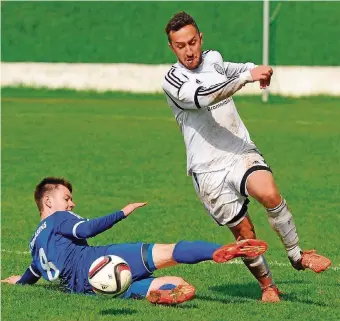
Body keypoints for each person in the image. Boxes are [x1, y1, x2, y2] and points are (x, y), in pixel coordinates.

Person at [162, 12, 331, 302]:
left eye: (192, 42)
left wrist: (257, 70)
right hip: (207, 170)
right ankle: (268, 286)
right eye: (180, 46)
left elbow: (233, 68)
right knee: (244, 233)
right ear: (172, 48)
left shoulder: (212, 58)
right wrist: (245, 78)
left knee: (269, 192)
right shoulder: (173, 80)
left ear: (201, 39)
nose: (189, 51)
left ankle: (297, 255)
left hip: (239, 151)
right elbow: (205, 95)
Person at [1, 177, 268, 305]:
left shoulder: (35, 242)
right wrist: (122, 212)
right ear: (49, 201)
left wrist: (20, 282)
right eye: (67, 197)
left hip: (88, 286)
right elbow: (85, 231)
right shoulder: (59, 217)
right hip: (99, 261)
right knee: (167, 251)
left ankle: (160, 295)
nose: (71, 203)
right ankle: (219, 251)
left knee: (181, 285)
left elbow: (34, 271)